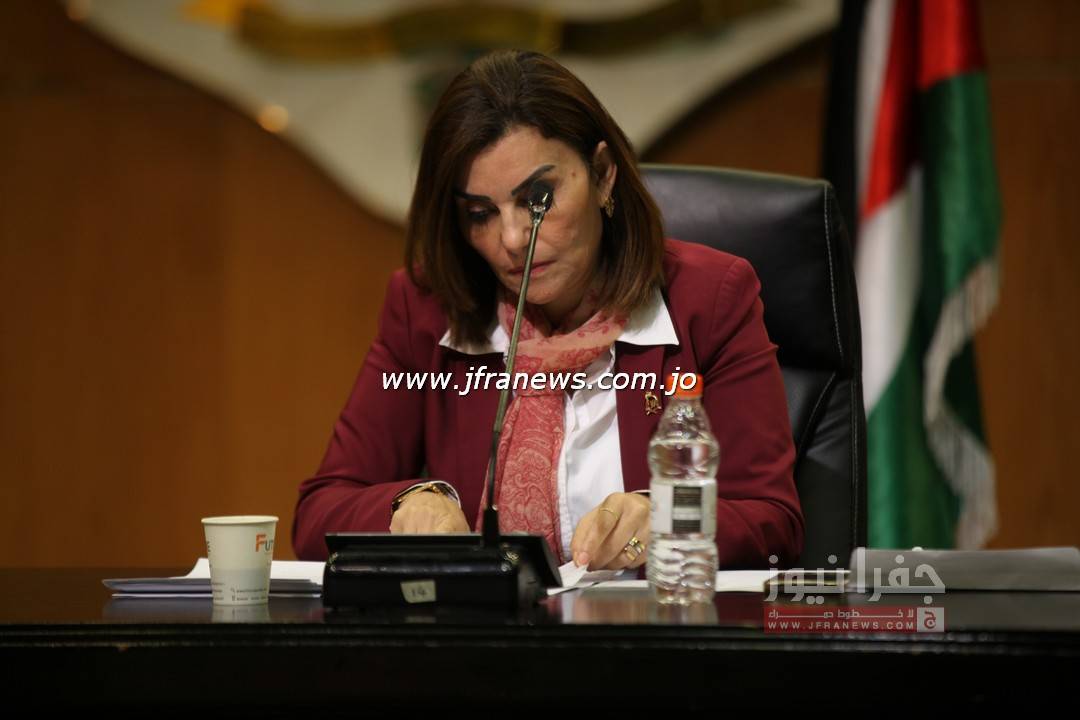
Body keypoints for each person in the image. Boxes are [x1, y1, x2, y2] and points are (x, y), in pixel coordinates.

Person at [293, 49, 803, 571]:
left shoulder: (709, 298)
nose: (513, 239)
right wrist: (407, 504)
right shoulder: (427, 309)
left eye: (538, 198)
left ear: (602, 174)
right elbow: (319, 512)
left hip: (653, 617)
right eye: (480, 213)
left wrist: (668, 517)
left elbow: (772, 520)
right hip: (486, 622)